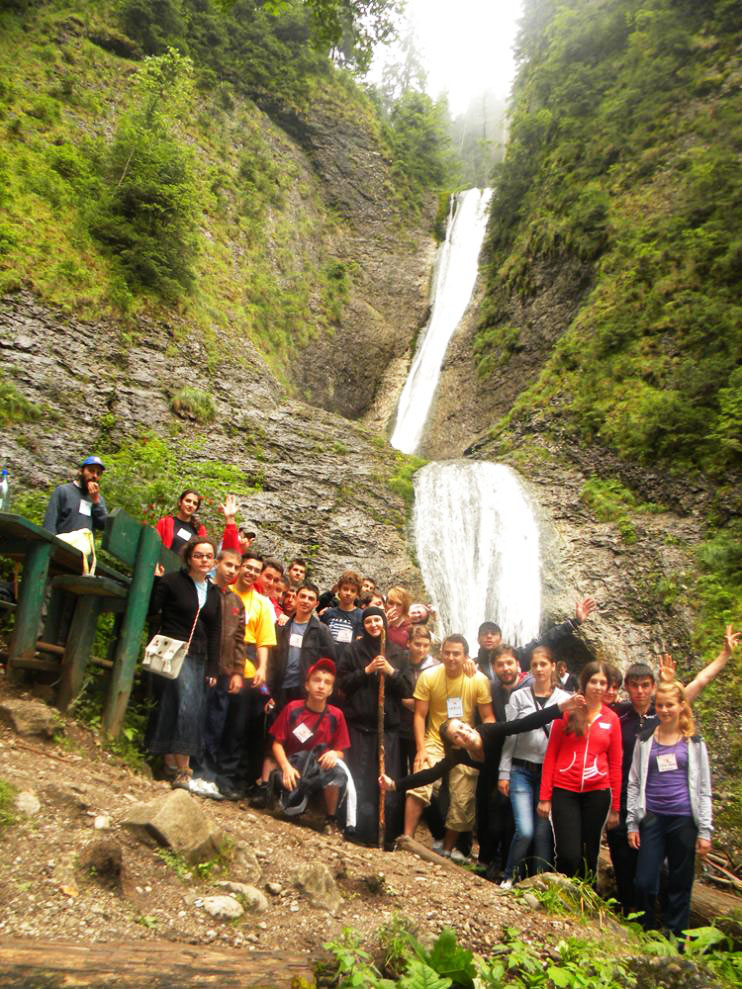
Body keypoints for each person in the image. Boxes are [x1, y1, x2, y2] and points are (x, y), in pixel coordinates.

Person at [607, 625, 740, 915]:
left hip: (663, 804)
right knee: (626, 861)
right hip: (629, 798)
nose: (640, 691)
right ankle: (634, 914)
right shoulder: (619, 714)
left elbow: (698, 684)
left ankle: (667, 922)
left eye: (646, 685)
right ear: (626, 687)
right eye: (634, 685)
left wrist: (724, 655)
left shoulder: (663, 712)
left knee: (665, 868)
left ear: (653, 688)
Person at [380, 692, 586, 808]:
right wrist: (395, 785)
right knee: (486, 814)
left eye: (461, 727)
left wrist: (560, 707)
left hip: (513, 774)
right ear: (455, 744)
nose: (462, 733)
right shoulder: (459, 754)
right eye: (456, 736)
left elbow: (522, 724)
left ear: (468, 724)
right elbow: (431, 773)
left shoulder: (489, 731)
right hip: (489, 783)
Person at [627, 681, 712, 935]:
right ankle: (647, 930)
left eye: (670, 705)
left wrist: (705, 830)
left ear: (681, 706)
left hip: (684, 818)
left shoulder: (694, 742)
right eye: (660, 705)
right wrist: (632, 823)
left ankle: (676, 938)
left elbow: (704, 788)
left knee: (681, 881)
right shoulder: (644, 740)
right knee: (644, 881)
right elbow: (633, 782)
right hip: (652, 817)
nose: (664, 710)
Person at [403, 634, 493, 860]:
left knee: (463, 797)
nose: (451, 658)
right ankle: (407, 840)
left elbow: (488, 717)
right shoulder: (429, 675)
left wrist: (478, 743)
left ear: (465, 656)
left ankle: (446, 849)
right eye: (447, 653)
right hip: (435, 739)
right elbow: (420, 715)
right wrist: (421, 748)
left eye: (457, 654)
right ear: (441, 653)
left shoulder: (478, 680)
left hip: (464, 742)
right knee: (419, 781)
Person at [146, 538, 221, 790]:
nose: (204, 560)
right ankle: (183, 767)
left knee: (181, 704)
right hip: (173, 651)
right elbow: (153, 610)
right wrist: (156, 581)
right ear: (189, 558)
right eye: (199, 555)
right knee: (185, 705)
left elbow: (215, 632)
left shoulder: (213, 592)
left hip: (199, 656)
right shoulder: (171, 581)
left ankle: (167, 761)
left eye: (208, 556)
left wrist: (213, 667)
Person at [538, 661, 622, 881]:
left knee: (589, 851)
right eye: (593, 681)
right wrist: (545, 797)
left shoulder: (611, 719)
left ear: (608, 687)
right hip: (565, 790)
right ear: (584, 683)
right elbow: (551, 755)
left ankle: (585, 901)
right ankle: (562, 893)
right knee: (568, 854)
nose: (597, 686)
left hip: (598, 793)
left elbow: (615, 763)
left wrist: (616, 807)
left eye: (602, 682)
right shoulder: (567, 712)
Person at [337, 606, 412, 846]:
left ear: (384, 624)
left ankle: (387, 835)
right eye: (368, 621)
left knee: (385, 781)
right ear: (364, 624)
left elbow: (407, 689)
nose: (373, 625)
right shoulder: (353, 650)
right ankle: (355, 830)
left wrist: (390, 671)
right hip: (359, 727)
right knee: (359, 781)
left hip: (387, 731)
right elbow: (343, 684)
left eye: (377, 620)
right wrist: (367, 671)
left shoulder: (398, 653)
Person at [498, 646, 572, 887]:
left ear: (553, 666)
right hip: (520, 770)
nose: (539, 669)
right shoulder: (518, 697)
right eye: (535, 665)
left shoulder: (564, 700)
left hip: (549, 775)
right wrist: (504, 772)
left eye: (544, 664)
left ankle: (539, 883)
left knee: (543, 833)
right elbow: (510, 735)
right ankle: (509, 875)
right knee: (526, 830)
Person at [217, 550, 276, 798]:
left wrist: (262, 668)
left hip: (249, 668)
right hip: (220, 661)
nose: (250, 573)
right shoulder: (224, 593)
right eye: (247, 567)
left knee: (239, 724)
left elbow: (264, 641)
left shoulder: (262, 603)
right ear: (239, 568)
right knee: (215, 719)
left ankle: (230, 778)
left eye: (255, 570)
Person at [269, 658, 352, 833]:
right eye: (316, 680)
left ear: (331, 690)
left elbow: (341, 751)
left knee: (336, 771)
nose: (321, 686)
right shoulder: (293, 709)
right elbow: (277, 743)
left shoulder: (336, 716)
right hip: (294, 768)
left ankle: (330, 818)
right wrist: (285, 767)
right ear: (307, 685)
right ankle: (290, 803)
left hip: (318, 770)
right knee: (287, 811)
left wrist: (334, 755)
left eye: (327, 682)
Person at [191, 547, 247, 799]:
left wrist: (237, 671)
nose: (232, 570)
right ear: (217, 564)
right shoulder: (205, 591)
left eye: (236, 567)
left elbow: (239, 639)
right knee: (193, 715)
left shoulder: (236, 601)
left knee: (216, 722)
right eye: (228, 565)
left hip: (225, 672)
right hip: (201, 664)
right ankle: (187, 768)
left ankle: (206, 774)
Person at [474, 598, 597, 679]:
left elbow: (545, 640)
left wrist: (574, 623)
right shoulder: (472, 665)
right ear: (478, 639)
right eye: (484, 633)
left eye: (493, 633)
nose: (489, 636)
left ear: (500, 638)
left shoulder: (516, 657)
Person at [43, 455, 107, 535]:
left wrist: (96, 502)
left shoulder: (98, 499)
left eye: (99, 473)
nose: (95, 476)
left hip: (84, 547)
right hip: (61, 545)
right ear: (81, 471)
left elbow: (104, 526)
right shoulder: (63, 491)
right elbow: (50, 522)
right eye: (91, 470)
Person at [320, 571, 364, 656]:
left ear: (357, 594)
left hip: (348, 662)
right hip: (328, 660)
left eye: (353, 591)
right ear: (339, 590)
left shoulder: (361, 616)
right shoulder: (328, 613)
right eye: (345, 589)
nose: (348, 593)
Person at [154, 490, 207, 556]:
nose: (191, 505)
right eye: (188, 501)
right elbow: (154, 547)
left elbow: (202, 554)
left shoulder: (200, 529)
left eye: (195, 503)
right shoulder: (164, 523)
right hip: (165, 565)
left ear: (196, 508)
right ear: (180, 502)